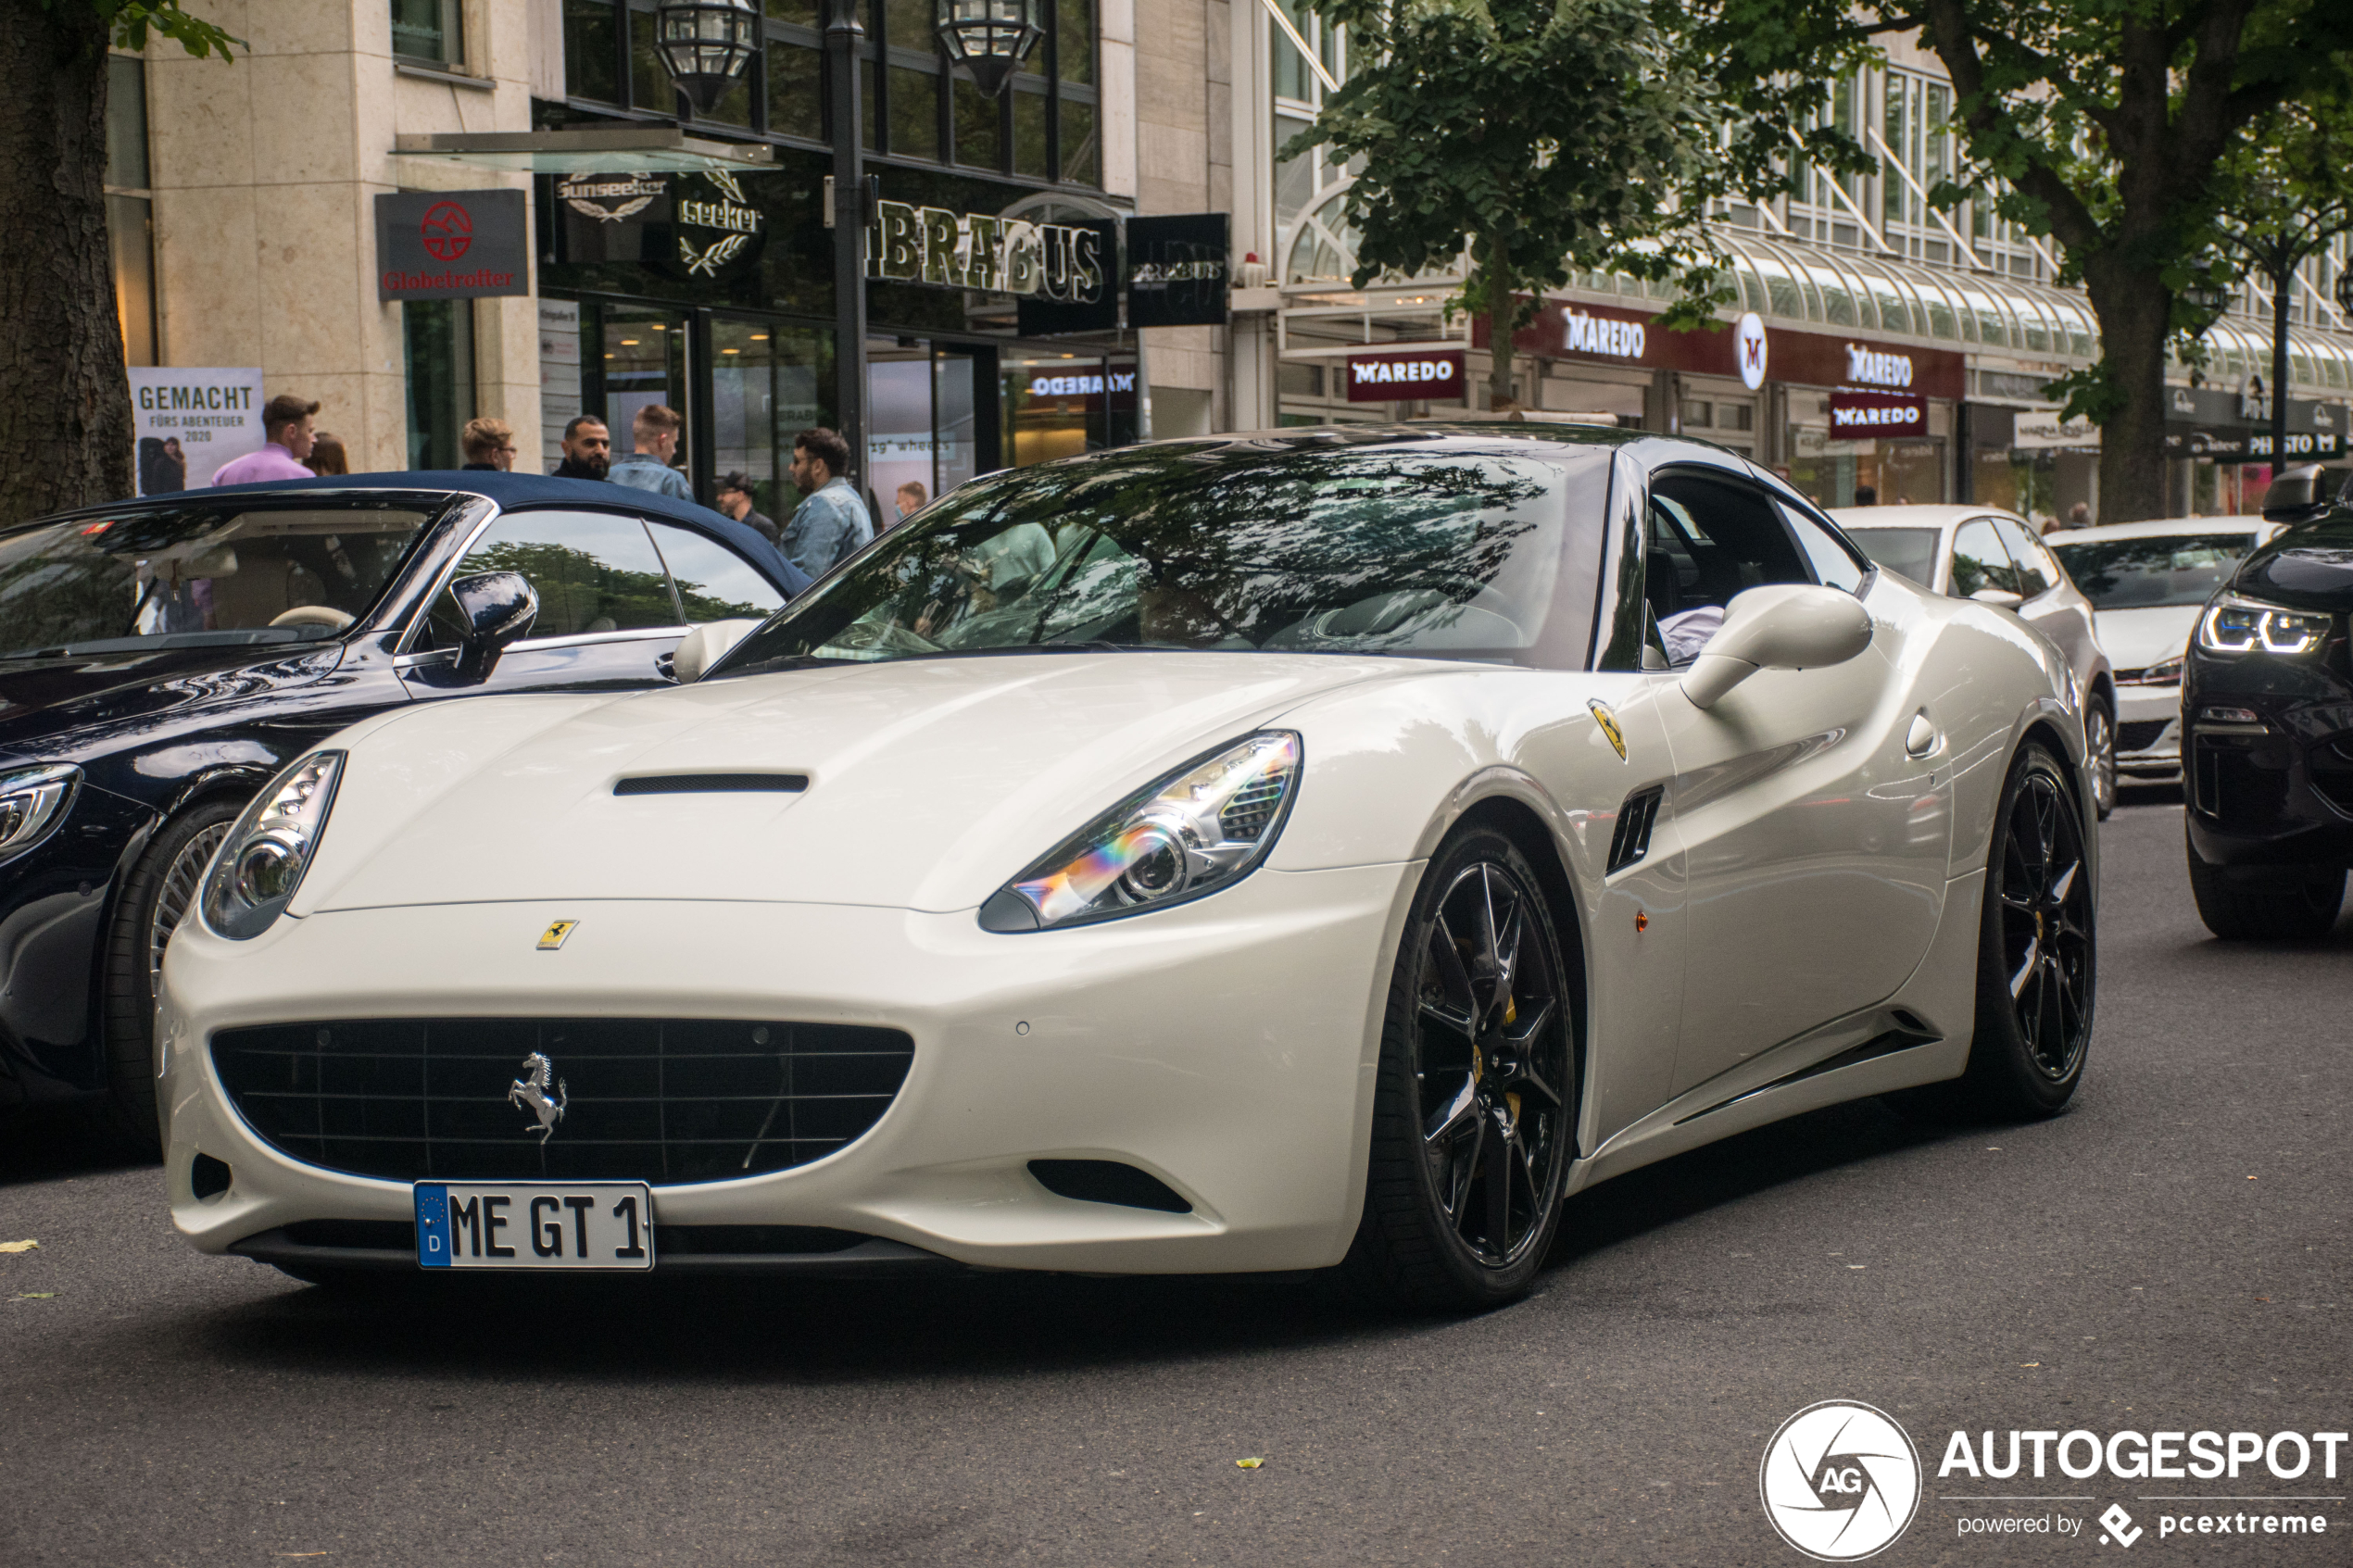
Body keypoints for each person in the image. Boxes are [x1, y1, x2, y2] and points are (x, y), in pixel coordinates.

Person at [780, 427, 875, 578]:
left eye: (797, 461)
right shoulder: (850, 499)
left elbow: (806, 581)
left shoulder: (825, 505)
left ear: (818, 466)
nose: (791, 468)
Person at [211, 394, 321, 485]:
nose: (314, 439)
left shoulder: (225, 472)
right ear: (291, 431)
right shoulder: (303, 477)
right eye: (309, 431)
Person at [608, 405, 694, 501]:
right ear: (663, 441)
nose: (674, 451)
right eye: (674, 443)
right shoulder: (672, 481)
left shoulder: (608, 477)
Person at [714, 471, 778, 544]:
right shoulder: (726, 525)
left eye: (724, 493)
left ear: (740, 495)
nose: (719, 498)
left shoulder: (763, 527)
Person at [552, 415, 610, 480]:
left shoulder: (614, 489)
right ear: (566, 448)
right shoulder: (552, 487)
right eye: (590, 443)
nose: (601, 451)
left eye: (605, 444)